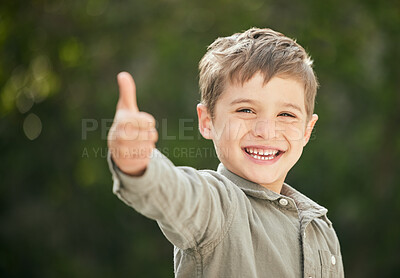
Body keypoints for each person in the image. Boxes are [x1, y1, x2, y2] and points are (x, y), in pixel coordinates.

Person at [107, 27, 344, 277]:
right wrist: (137, 161)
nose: (266, 131)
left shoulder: (320, 229)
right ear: (207, 120)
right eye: (245, 110)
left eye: (286, 115)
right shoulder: (217, 206)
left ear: (307, 130)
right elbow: (175, 192)